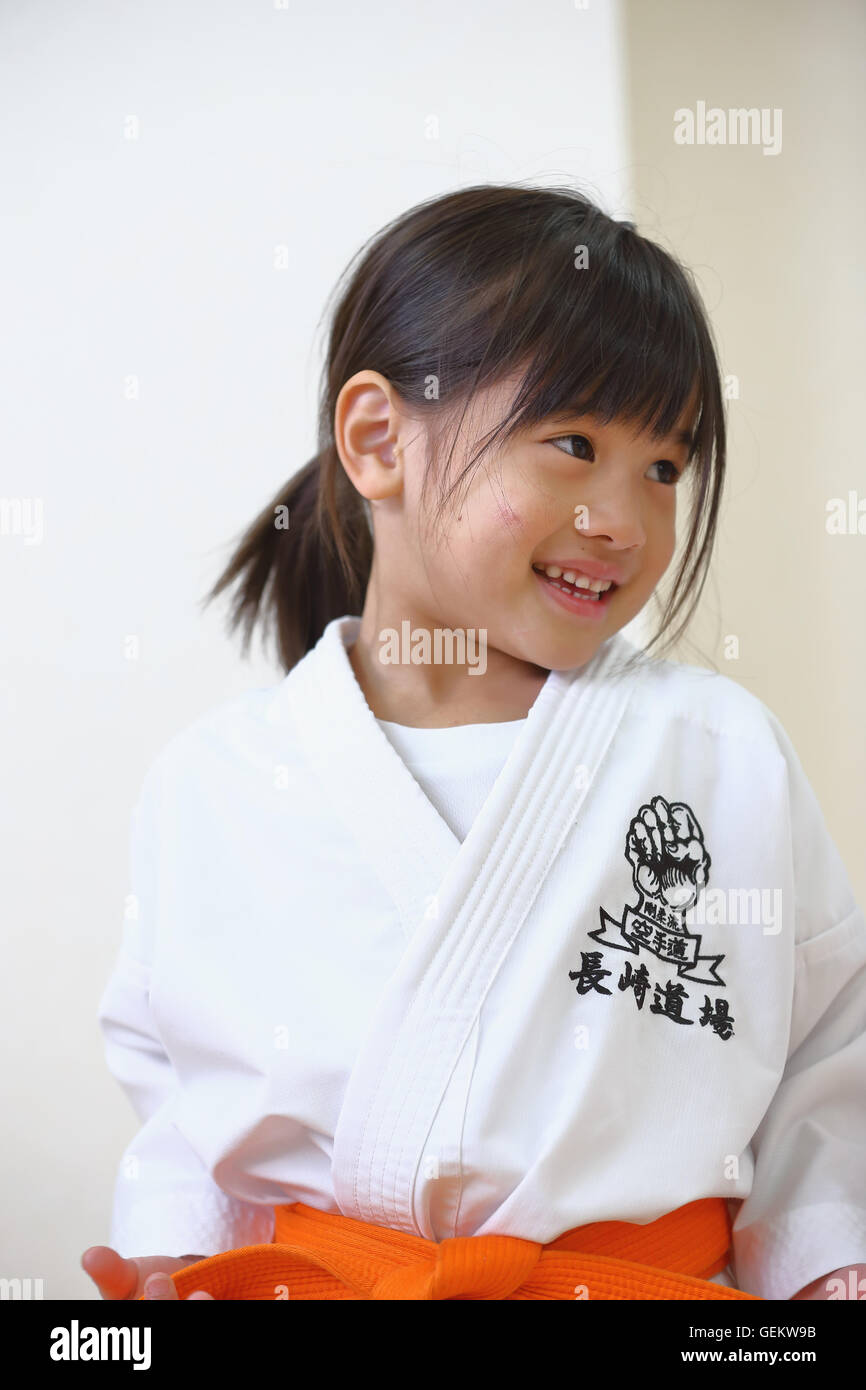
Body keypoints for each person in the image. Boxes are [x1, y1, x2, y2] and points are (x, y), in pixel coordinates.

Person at [82, 183, 866, 1302]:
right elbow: (178, 1090)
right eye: (573, 442)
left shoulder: (718, 752)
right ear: (377, 439)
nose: (624, 519)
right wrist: (171, 1250)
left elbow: (824, 1065)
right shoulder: (214, 783)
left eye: (663, 466)